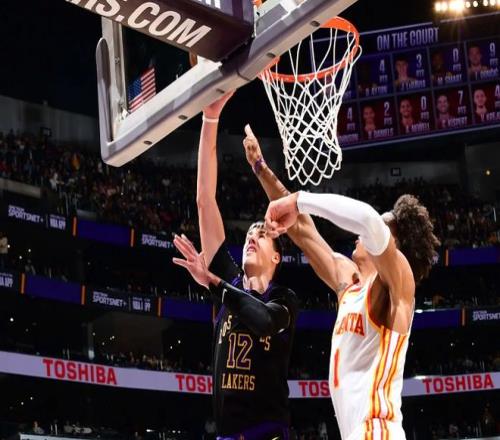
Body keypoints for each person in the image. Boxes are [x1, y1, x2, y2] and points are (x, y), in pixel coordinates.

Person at [241, 133, 439, 440]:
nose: (362, 235)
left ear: (394, 245)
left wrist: (300, 199)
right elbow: (302, 229)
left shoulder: (398, 283)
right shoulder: (349, 283)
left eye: (383, 229)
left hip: (378, 430)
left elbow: (368, 220)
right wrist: (260, 169)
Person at [172, 92, 299, 440]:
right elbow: (204, 200)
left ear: (277, 257)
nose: (252, 236)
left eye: (262, 234)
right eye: (249, 234)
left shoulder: (284, 299)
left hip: (268, 433)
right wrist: (210, 119)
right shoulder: (229, 280)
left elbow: (264, 321)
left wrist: (213, 283)